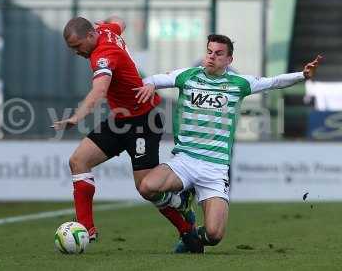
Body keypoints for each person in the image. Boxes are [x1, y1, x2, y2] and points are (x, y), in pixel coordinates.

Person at [134, 34, 322, 253]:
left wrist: (303, 75)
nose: (212, 57)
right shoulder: (187, 76)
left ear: (229, 60)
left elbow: (274, 82)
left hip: (215, 168)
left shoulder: (239, 84)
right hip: (185, 159)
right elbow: (154, 80)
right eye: (209, 52)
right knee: (147, 187)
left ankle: (192, 237)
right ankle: (180, 205)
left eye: (219, 53)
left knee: (214, 235)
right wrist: (149, 85)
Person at [52, 16, 197, 249]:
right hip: (120, 120)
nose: (76, 52)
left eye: (78, 47)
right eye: (72, 48)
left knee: (147, 189)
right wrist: (104, 23)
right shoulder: (106, 31)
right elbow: (120, 20)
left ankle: (184, 217)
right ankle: (87, 230)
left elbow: (99, 90)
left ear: (90, 36)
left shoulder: (103, 55)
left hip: (144, 122)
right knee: (78, 161)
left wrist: (76, 117)